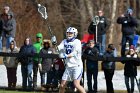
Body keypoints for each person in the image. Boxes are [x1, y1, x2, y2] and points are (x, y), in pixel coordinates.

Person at [52, 27, 86, 93]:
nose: (69, 34)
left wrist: (65, 55)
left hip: (77, 66)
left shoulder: (77, 42)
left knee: (76, 84)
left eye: (70, 33)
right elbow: (57, 49)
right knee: (62, 85)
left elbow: (74, 53)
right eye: (68, 33)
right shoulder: (64, 41)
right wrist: (54, 43)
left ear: (75, 34)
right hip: (68, 67)